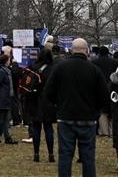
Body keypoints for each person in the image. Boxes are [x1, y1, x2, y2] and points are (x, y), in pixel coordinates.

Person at [45, 37, 108, 177]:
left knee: (65, 156)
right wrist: (95, 110)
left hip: (65, 117)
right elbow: (104, 96)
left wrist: (59, 104)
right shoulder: (94, 70)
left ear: (72, 50)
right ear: (87, 51)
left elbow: (48, 92)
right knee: (88, 157)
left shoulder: (60, 68)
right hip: (88, 118)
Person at [24, 48, 56, 163]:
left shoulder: (33, 68)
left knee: (36, 127)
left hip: (34, 100)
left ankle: (36, 153)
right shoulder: (53, 69)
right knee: (48, 128)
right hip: (48, 101)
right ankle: (51, 153)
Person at [0, 53, 18, 145]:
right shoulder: (2, 72)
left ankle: (5, 137)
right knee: (1, 118)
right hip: (2, 98)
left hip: (5, 98)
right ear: (6, 61)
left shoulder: (6, 71)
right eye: (9, 60)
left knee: (3, 118)